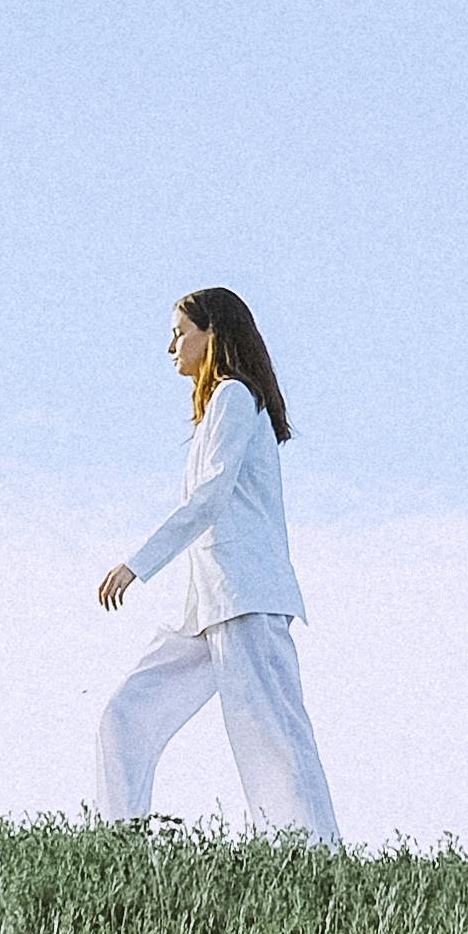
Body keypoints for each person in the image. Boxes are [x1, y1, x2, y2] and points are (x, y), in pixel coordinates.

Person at [92, 288, 344, 845]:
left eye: (180, 332)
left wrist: (136, 565)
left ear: (212, 334)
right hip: (207, 607)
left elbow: (209, 499)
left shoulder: (233, 396)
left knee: (273, 737)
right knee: (126, 715)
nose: (171, 345)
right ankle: (116, 847)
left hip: (247, 597)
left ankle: (318, 860)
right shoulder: (216, 411)